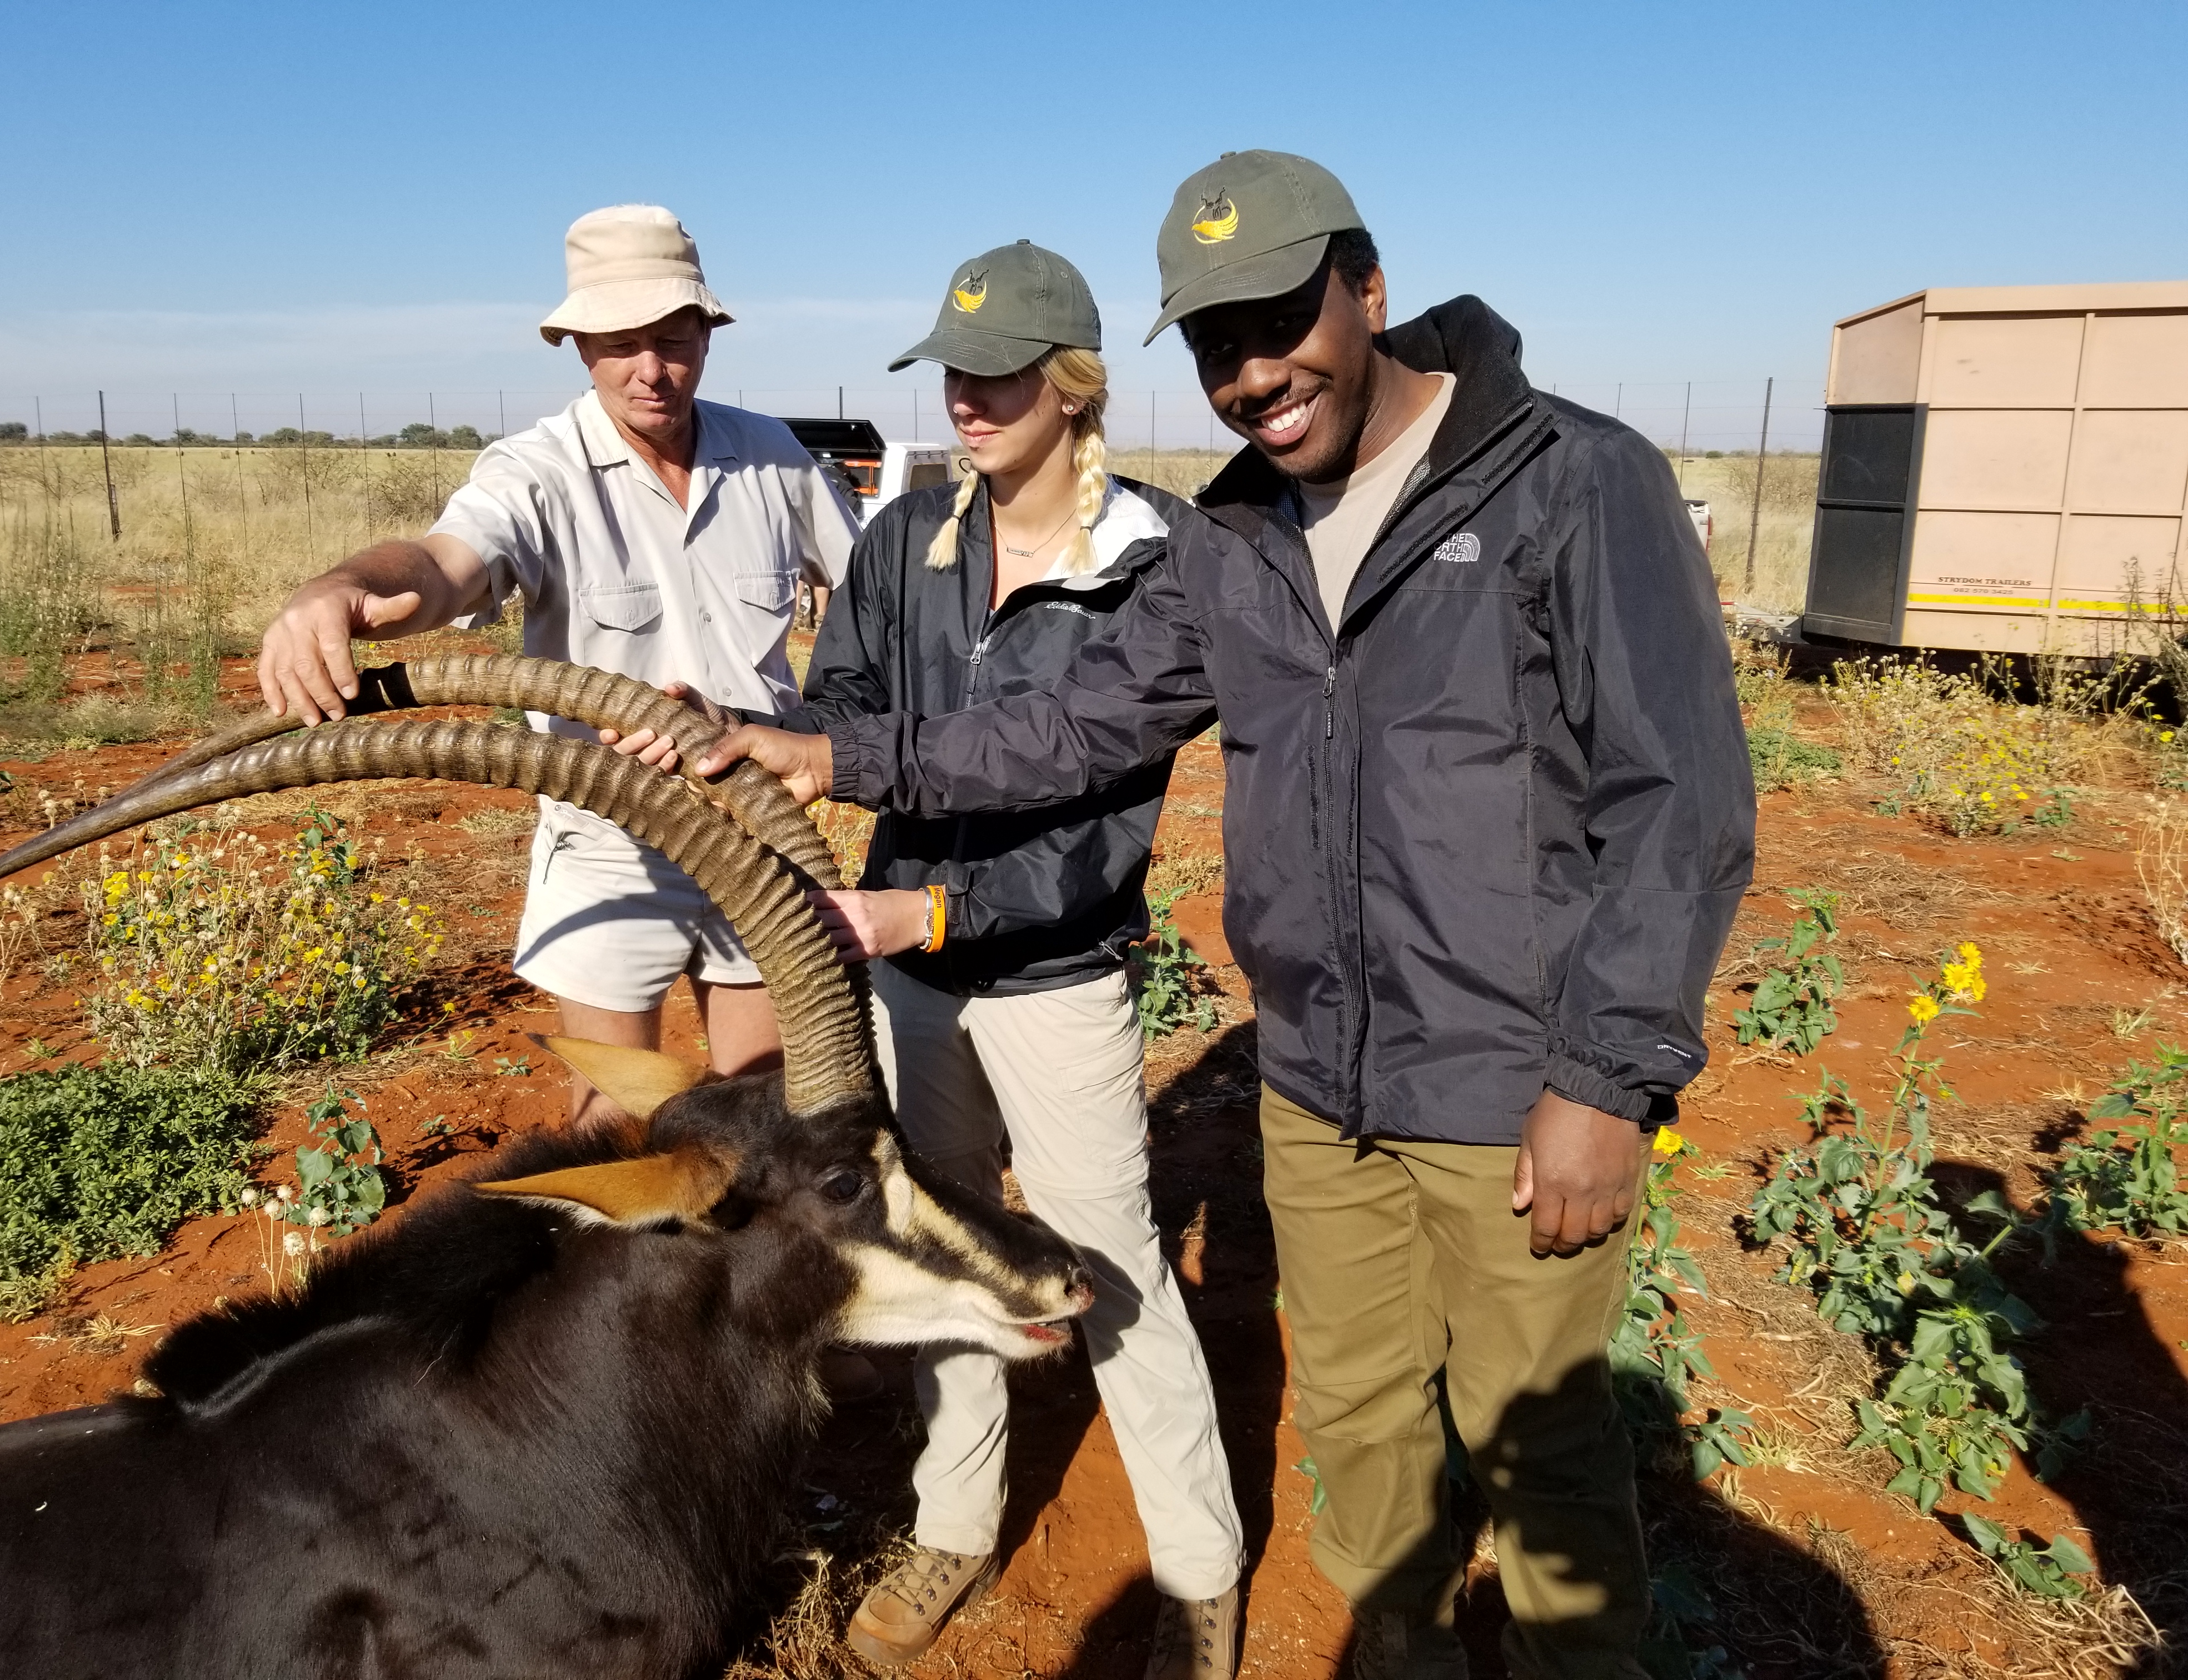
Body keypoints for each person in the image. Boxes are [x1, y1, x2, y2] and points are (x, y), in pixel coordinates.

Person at [695, 153, 1756, 1680]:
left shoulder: (1569, 480)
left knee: (1542, 1448)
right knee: (1363, 1419)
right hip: (1316, 1084)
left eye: (1278, 321)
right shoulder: (1236, 536)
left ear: (1367, 286)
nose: (1252, 372)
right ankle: (1395, 1649)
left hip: (1513, 1075)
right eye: (1213, 343)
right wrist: (835, 751)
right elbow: (1074, 726)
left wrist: (1605, 1076)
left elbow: (1681, 799)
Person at [806, 242, 1244, 1679]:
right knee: (943, 1249)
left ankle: (1197, 1568)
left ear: (1073, 386)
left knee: (1107, 1257)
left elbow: (1093, 811)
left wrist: (926, 913)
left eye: (996, 375)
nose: (966, 400)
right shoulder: (902, 543)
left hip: (1057, 981)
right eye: (953, 373)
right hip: (912, 984)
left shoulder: (1162, 565)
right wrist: (765, 734)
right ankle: (953, 1523)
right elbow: (850, 714)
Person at [256, 204, 858, 1124]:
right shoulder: (536, 471)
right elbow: (444, 566)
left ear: (708, 332)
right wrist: (341, 586)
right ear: (578, 345)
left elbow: (871, 599)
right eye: (620, 343)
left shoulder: (772, 455)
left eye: (672, 338)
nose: (651, 370)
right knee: (614, 1122)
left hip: (762, 827)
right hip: (615, 842)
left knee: (772, 1115)